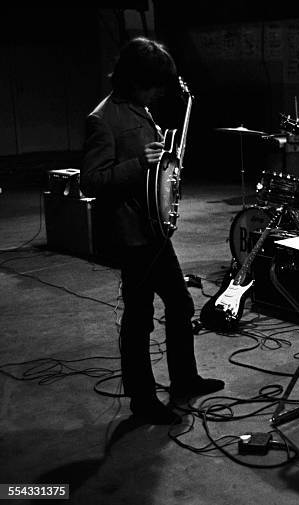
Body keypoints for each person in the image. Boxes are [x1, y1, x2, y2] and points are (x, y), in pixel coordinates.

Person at [81, 37, 224, 425]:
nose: (157, 92)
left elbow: (151, 169)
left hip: (154, 230)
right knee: (140, 316)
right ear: (133, 79)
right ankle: (142, 399)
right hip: (131, 235)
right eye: (152, 84)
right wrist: (139, 164)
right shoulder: (102, 118)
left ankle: (184, 379)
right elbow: (90, 182)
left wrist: (166, 169)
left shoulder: (140, 108)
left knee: (179, 304)